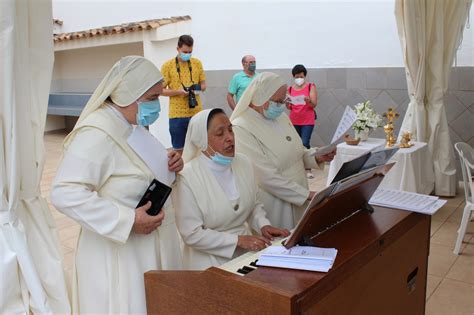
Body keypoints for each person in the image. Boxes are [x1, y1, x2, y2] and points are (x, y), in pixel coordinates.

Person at [51, 56, 183, 314]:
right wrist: (127, 220)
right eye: (152, 98)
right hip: (120, 255)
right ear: (129, 94)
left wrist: (170, 166)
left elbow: (137, 171)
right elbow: (65, 192)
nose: (157, 105)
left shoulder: (132, 125)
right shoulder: (97, 132)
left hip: (146, 248)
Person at [174, 108, 289, 270]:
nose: (229, 138)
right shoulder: (187, 177)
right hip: (206, 262)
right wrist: (237, 240)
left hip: (246, 253)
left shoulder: (243, 163)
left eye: (230, 129)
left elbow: (253, 204)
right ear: (202, 141)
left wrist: (263, 225)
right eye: (220, 134)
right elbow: (192, 234)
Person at [230, 72, 336, 230]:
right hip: (274, 203)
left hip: (299, 190)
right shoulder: (241, 127)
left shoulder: (281, 117)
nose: (281, 106)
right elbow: (265, 176)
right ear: (260, 97)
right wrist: (306, 195)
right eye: (278, 101)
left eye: (283, 100)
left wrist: (317, 157)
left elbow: (297, 152)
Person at [161, 34, 206, 152]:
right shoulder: (168, 66)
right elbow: (160, 90)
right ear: (178, 49)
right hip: (177, 115)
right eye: (185, 51)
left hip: (196, 112)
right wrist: (177, 92)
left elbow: (204, 85)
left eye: (190, 52)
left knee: (199, 149)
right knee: (179, 151)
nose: (188, 54)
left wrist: (196, 89)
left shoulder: (197, 63)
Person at [287, 64, 317, 149]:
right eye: (297, 77)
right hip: (294, 120)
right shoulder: (290, 89)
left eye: (301, 76)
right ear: (293, 76)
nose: (299, 79)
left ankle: (308, 160)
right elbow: (289, 107)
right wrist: (286, 102)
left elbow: (314, 104)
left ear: (305, 76)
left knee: (305, 143)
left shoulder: (310, 86)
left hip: (307, 120)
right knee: (296, 144)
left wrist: (308, 101)